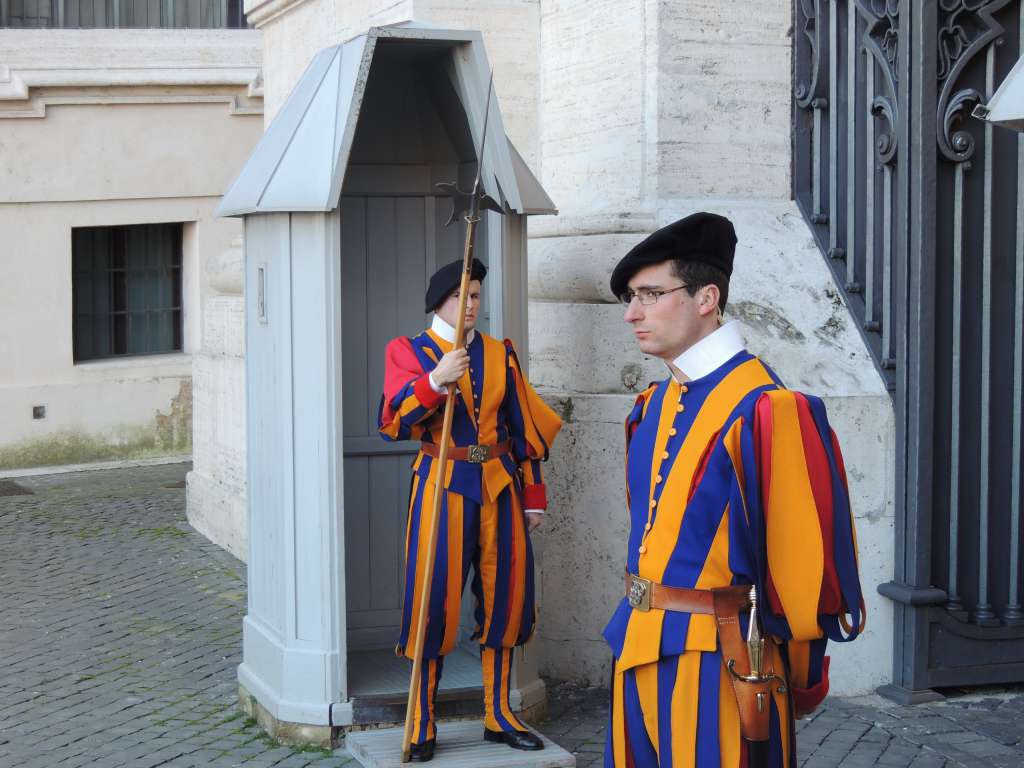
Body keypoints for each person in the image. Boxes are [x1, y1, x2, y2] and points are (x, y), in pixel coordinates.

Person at [602, 212, 864, 768]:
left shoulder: (768, 410)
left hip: (721, 665)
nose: (632, 313)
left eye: (650, 294)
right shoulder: (651, 406)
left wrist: (805, 677)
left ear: (706, 297)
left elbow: (802, 573)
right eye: (630, 297)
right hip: (636, 646)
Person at [379, 257, 562, 762]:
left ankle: (498, 714)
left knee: (506, 598)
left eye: (477, 295)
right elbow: (395, 422)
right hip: (442, 484)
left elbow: (525, 431)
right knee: (432, 600)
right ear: (440, 301)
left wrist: (534, 497)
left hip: (501, 485)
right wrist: (435, 381)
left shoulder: (500, 352)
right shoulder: (409, 351)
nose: (472, 305)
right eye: (463, 296)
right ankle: (422, 719)